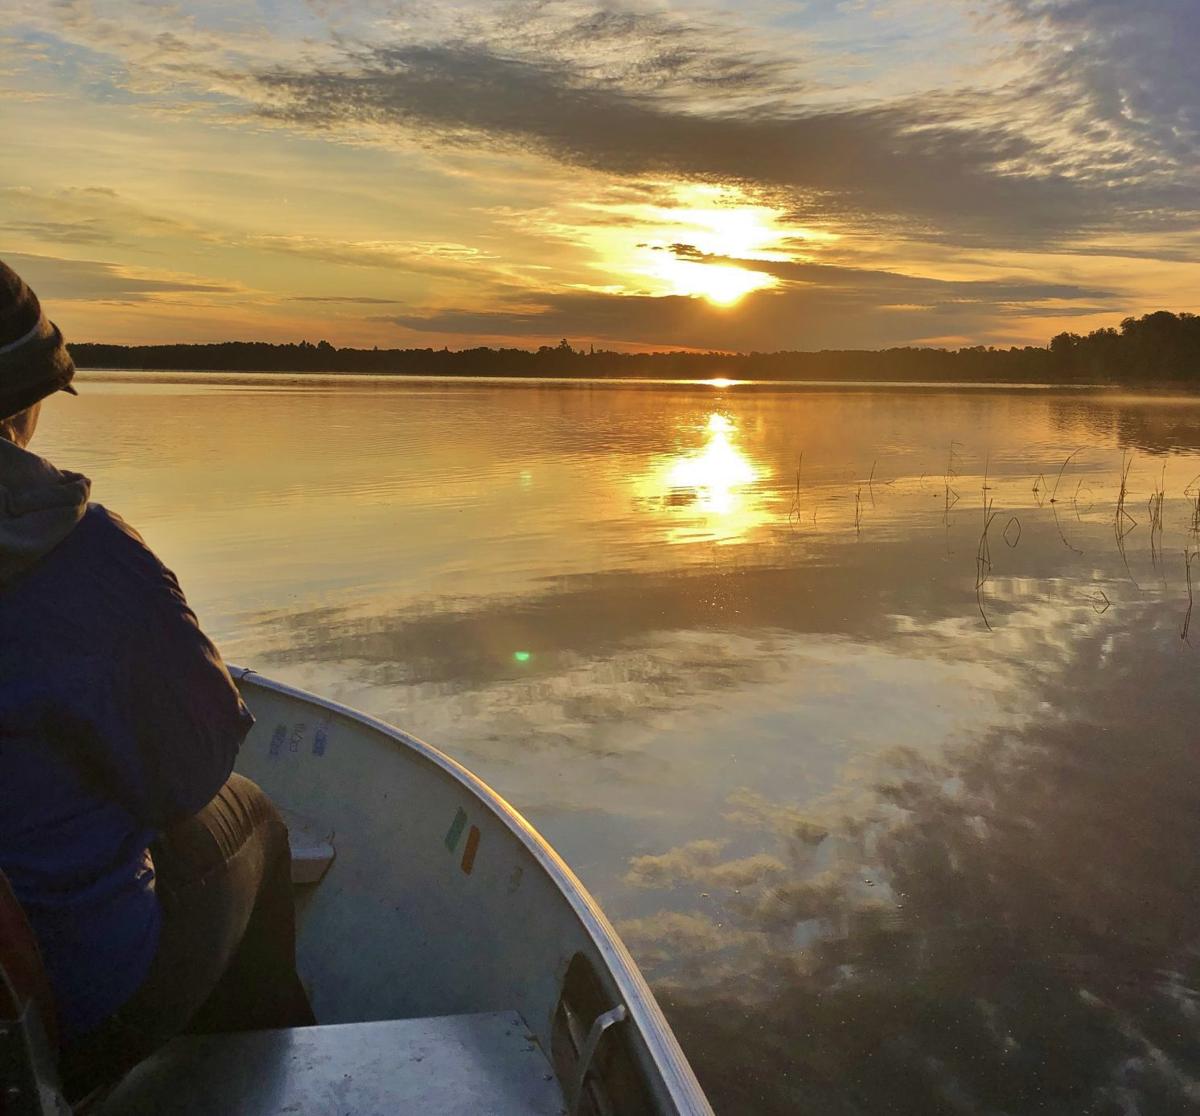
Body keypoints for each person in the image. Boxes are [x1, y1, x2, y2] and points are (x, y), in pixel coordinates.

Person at [0, 259, 314, 1100]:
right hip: (65, 1020)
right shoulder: (88, 558)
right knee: (254, 819)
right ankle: (260, 1084)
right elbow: (192, 776)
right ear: (24, 403)